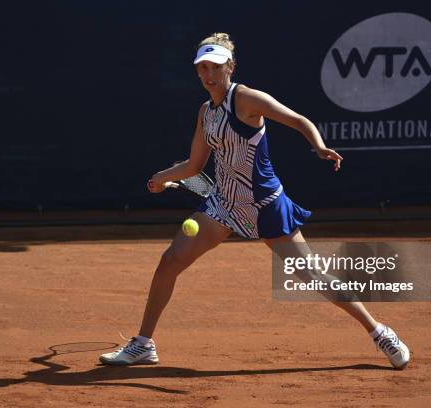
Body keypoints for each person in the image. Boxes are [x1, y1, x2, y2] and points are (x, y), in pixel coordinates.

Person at [99, 33, 410, 369]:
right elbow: (194, 165)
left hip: (265, 207)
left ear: (230, 66)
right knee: (170, 261)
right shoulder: (206, 113)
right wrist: (162, 176)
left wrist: (318, 146)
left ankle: (379, 332)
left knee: (314, 276)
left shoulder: (247, 100)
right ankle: (143, 344)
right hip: (224, 206)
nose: (208, 74)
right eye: (202, 68)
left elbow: (297, 120)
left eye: (215, 66)